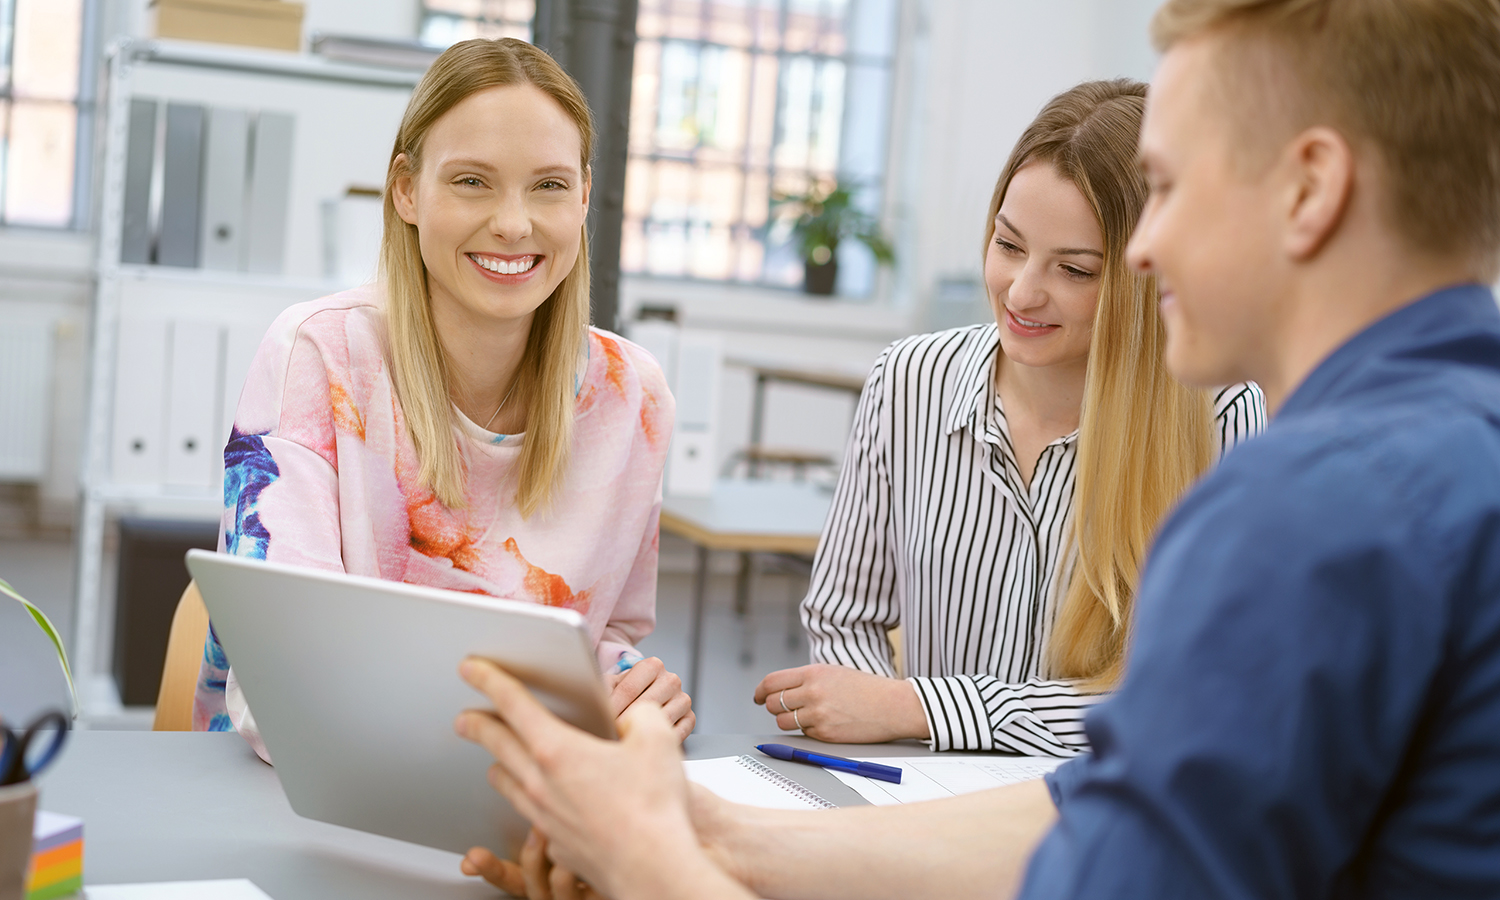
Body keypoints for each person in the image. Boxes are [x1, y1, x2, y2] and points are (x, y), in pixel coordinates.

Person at [453, 0, 1500, 897]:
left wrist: (645, 858)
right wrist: (717, 834)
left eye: (1173, 187)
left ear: (1310, 188)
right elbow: (1090, 812)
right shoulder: (1455, 446)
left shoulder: (1313, 506)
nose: (1148, 246)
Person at [193, 38, 694, 760]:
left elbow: (599, 639)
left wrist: (635, 693)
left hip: (527, 799)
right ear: (406, 190)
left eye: (549, 186)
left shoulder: (633, 397)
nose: (514, 223)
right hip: (310, 793)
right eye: (471, 181)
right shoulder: (320, 356)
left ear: (584, 196)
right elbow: (282, 680)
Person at [753, 80, 1265, 754]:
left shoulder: (1219, 416)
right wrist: (885, 741)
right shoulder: (910, 380)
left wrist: (920, 710)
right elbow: (844, 618)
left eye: (1075, 270)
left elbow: (1186, 691)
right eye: (1009, 245)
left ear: (1145, 275)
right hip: (917, 806)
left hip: (1107, 820)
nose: (1022, 292)